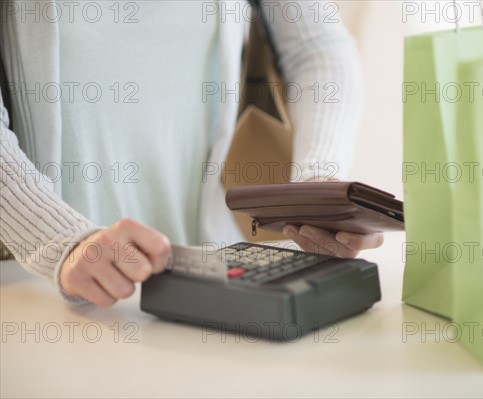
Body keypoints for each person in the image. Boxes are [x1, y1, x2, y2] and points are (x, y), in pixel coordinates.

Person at [0, 0, 384, 307]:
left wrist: (317, 182)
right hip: (45, 287)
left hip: (206, 274)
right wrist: (59, 240)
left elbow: (318, 47)